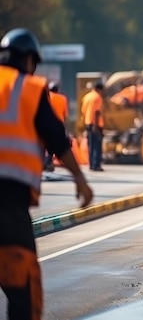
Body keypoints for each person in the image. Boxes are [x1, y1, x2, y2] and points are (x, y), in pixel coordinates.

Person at [0, 28, 93, 320]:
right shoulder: (27, 88)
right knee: (23, 290)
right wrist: (80, 179)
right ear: (29, 60)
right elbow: (56, 137)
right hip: (8, 206)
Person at [44, 82, 70, 171]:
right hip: (59, 124)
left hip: (46, 123)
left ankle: (46, 162)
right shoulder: (63, 98)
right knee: (56, 144)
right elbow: (65, 114)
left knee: (45, 144)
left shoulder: (46, 97)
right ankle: (49, 162)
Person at [81, 80, 105, 171]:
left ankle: (91, 164)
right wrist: (95, 125)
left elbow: (83, 111)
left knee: (91, 145)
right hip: (96, 124)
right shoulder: (97, 97)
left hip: (88, 123)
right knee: (97, 145)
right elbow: (97, 112)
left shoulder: (86, 97)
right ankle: (96, 165)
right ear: (100, 89)